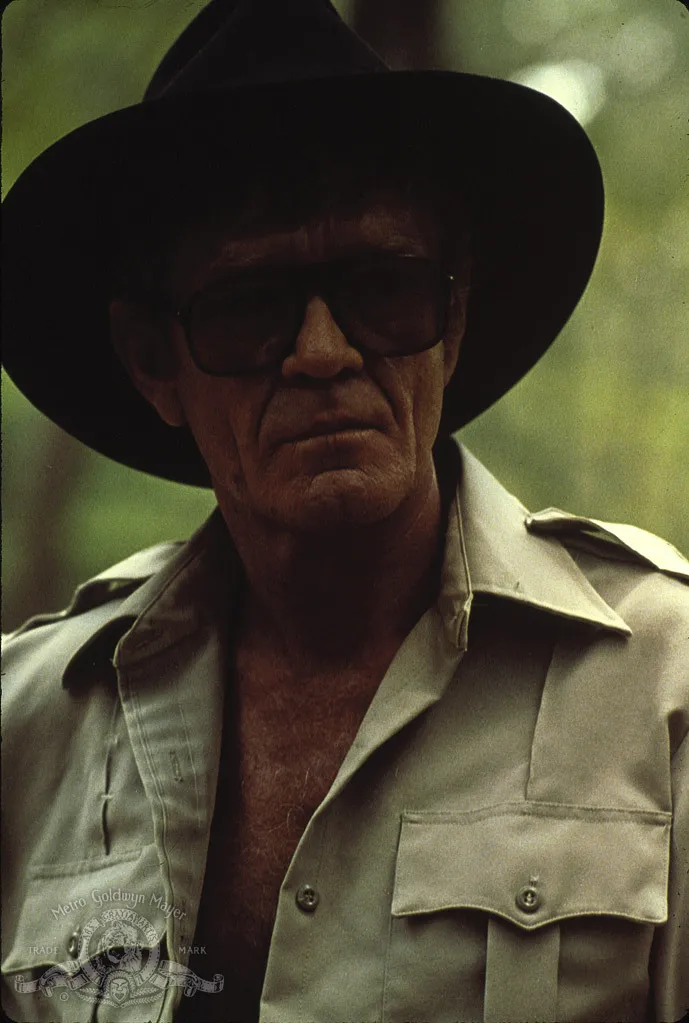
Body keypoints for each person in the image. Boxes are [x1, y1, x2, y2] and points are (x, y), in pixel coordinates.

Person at [2, 1, 688, 1021]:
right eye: (249, 306)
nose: (322, 353)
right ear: (154, 364)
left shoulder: (664, 687)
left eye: (383, 290)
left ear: (451, 324)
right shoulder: (29, 724)